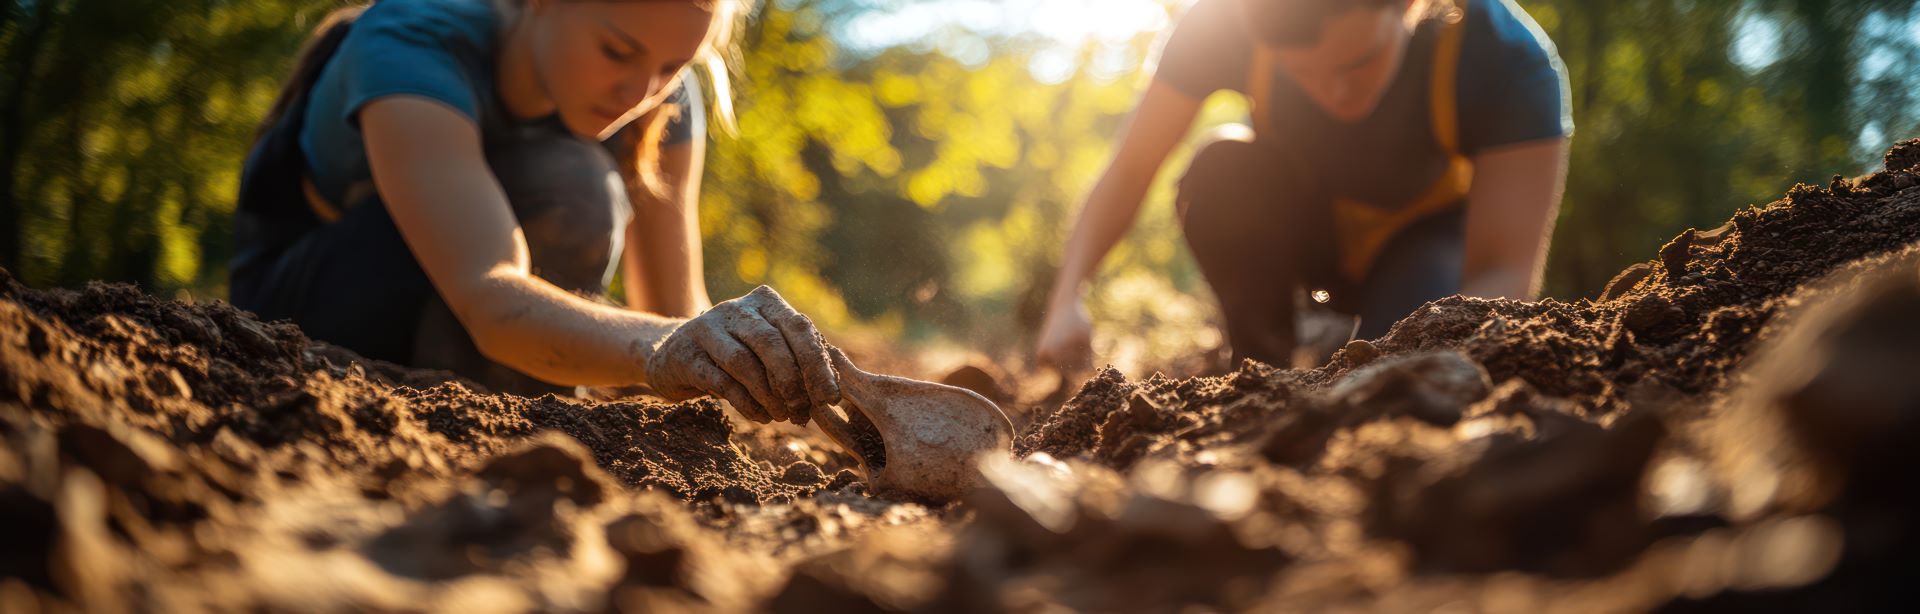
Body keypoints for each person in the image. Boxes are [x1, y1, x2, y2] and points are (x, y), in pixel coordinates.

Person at [230, 0, 839, 424]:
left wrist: (775, 363)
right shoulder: (413, 38)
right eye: (616, 50)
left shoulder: (662, 97)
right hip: (312, 306)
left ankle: (511, 407)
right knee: (573, 185)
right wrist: (661, 346)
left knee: (573, 181)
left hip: (478, 323)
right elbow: (491, 293)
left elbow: (676, 312)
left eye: (670, 68)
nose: (639, 92)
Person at [1035, 0, 1573, 369]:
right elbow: (1131, 167)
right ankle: (1264, 368)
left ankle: (1351, 344)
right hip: (1304, 228)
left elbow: (1503, 268)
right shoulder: (1226, 22)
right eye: (1304, 73)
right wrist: (1066, 298)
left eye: (1358, 64)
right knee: (1223, 170)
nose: (1335, 94)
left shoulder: (1507, 60)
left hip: (1425, 250)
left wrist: (1439, 356)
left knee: (1405, 355)